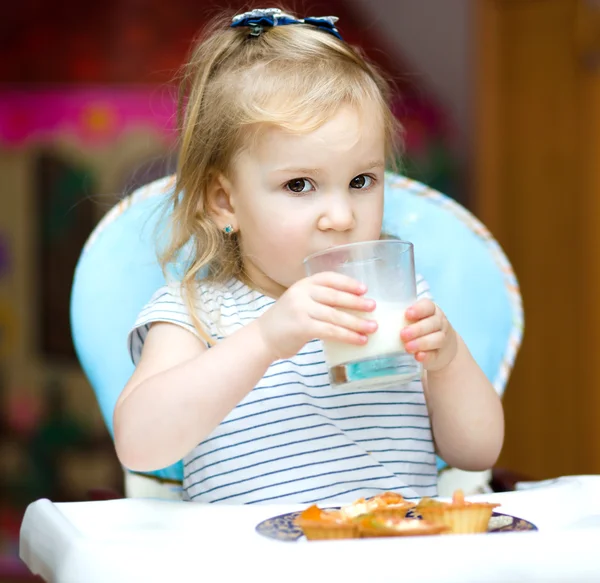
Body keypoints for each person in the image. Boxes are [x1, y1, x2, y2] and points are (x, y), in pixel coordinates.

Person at [113, 7, 504, 504]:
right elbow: (139, 445)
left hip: (393, 553)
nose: (340, 215)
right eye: (300, 185)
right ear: (225, 202)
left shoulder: (394, 300)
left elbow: (477, 453)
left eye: (361, 181)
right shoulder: (197, 313)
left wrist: (447, 363)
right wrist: (267, 338)